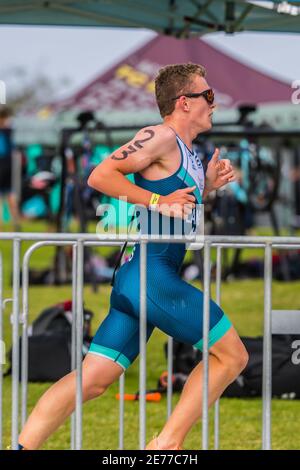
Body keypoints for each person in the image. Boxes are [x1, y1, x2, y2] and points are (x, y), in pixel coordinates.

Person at [18, 63, 248, 450]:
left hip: (142, 280)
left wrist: (205, 187)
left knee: (91, 381)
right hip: (151, 279)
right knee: (231, 356)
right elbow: (100, 175)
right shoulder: (158, 136)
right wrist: (158, 198)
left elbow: (174, 209)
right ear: (183, 102)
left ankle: (21, 447)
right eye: (207, 96)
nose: (214, 103)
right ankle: (164, 447)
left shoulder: (187, 151)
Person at [0, 106, 21, 230]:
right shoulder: (9, 131)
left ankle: (4, 224)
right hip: (9, 165)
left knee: (6, 197)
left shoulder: (6, 132)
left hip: (3, 164)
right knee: (10, 195)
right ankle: (16, 223)